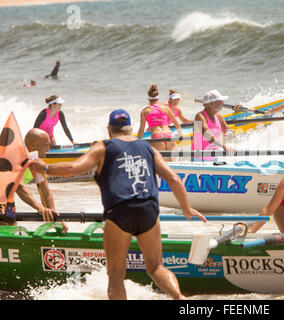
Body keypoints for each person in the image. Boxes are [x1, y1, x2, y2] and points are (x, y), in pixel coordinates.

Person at [30, 109, 207, 300]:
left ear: (109, 130)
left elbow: (73, 168)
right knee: (156, 267)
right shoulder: (148, 148)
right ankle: (180, 299)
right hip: (148, 209)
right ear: (130, 129)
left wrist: (45, 167)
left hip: (120, 211)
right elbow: (173, 179)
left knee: (115, 276)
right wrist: (186, 208)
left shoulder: (103, 147)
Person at [1, 128, 66, 232]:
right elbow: (20, 187)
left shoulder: (36, 161)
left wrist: (54, 217)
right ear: (33, 145)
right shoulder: (14, 155)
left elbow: (45, 192)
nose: (48, 149)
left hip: (8, 198)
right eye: (46, 145)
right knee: (4, 226)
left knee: (11, 228)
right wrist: (40, 208)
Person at [191, 89, 236, 161]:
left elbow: (228, 130)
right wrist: (224, 147)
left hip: (214, 157)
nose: (222, 103)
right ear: (211, 104)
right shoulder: (199, 117)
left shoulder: (218, 117)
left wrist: (230, 133)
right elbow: (208, 136)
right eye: (220, 101)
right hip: (199, 159)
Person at [137, 84, 182, 151]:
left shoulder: (145, 111)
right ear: (158, 98)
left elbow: (141, 130)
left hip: (157, 137)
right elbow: (177, 125)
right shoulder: (166, 108)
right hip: (169, 135)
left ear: (148, 99)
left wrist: (137, 142)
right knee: (171, 160)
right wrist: (180, 136)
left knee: (157, 159)